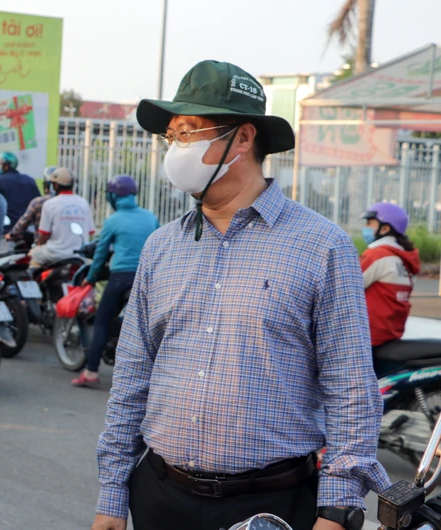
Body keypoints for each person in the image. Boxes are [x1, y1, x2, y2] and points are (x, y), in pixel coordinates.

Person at [93, 61, 387, 530]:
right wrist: (112, 494)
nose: (175, 148)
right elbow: (132, 375)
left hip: (272, 506)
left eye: (188, 132)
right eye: (171, 136)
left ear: (243, 138)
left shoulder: (321, 246)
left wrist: (336, 509)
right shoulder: (161, 246)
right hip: (160, 496)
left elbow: (350, 387)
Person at [71, 175, 158, 388]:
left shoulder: (113, 220)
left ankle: (91, 372)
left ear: (112, 196)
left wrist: (91, 278)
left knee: (101, 322)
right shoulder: (150, 217)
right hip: (148, 278)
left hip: (121, 278)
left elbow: (100, 253)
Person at [360, 202, 420, 348]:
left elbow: (344, 287)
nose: (365, 227)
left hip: (368, 338)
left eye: (370, 223)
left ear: (385, 228)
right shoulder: (406, 259)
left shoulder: (377, 255)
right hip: (390, 335)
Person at [27, 167, 94, 268]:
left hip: (55, 253)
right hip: (80, 254)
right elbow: (90, 232)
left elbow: (44, 234)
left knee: (31, 257)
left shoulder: (50, 204)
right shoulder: (83, 203)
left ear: (55, 185)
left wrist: (38, 247)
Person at [6, 165, 58, 245]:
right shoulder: (74, 202)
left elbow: (23, 223)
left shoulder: (39, 202)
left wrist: (11, 235)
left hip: (43, 246)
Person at [0, 152, 40, 229]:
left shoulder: (0, 181)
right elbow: (38, 203)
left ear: (6, 166)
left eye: (0, 164)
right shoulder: (30, 180)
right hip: (29, 227)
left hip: (8, 228)